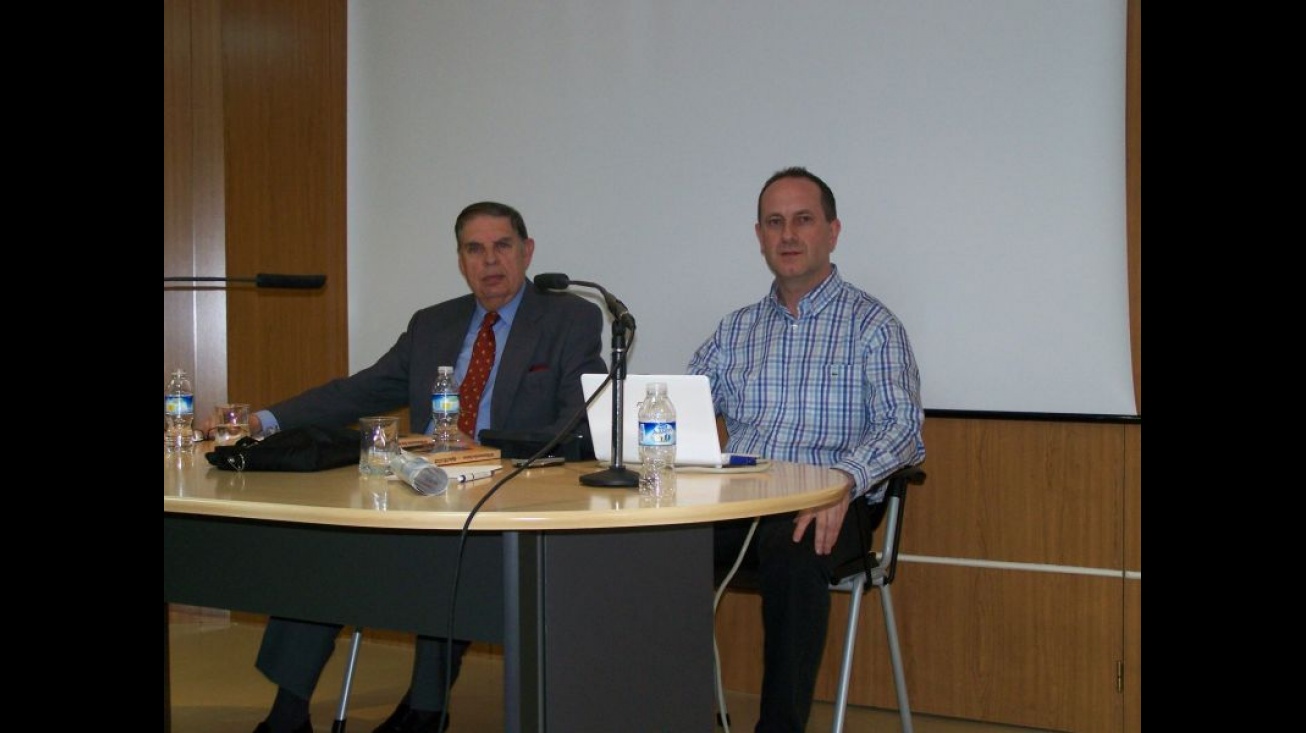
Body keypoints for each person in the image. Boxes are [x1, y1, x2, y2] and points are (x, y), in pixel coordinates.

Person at [238, 201, 607, 733]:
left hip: (509, 492)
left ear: (527, 252)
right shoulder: (434, 324)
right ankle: (288, 710)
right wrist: (265, 420)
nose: (490, 261)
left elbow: (577, 420)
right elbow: (359, 391)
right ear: (460, 260)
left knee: (446, 549)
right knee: (326, 540)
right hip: (424, 482)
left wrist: (482, 454)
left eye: (503, 246)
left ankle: (425, 708)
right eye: (474, 249)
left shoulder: (569, 318)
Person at [687, 167, 925, 733]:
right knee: (641, 548)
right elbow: (682, 411)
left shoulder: (873, 325)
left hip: (827, 504)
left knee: (793, 551)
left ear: (832, 232)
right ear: (759, 235)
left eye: (803, 220)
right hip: (737, 502)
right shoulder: (735, 331)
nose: (788, 235)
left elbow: (904, 427)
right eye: (775, 223)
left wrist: (844, 479)